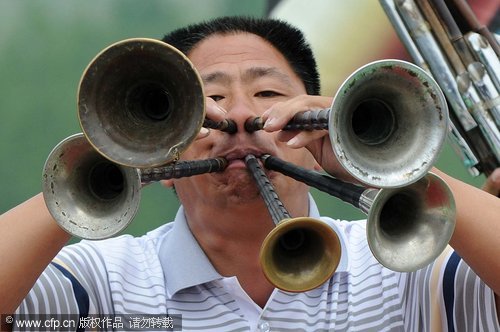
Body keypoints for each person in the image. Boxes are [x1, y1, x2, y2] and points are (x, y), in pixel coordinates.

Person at [1, 16, 499, 331]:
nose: (239, 116)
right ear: (160, 160)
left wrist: (380, 162)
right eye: (208, 102)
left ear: (320, 135)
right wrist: (99, 165)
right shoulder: (104, 287)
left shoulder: (405, 266)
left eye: (268, 97)